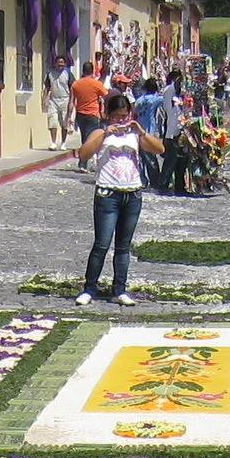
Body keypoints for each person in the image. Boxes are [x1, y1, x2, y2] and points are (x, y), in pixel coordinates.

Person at [74, 90, 159, 305]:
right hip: (107, 194)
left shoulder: (133, 135)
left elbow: (159, 149)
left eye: (125, 116)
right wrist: (105, 133)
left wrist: (141, 132)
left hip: (132, 194)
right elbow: (83, 154)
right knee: (102, 243)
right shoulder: (99, 133)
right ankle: (89, 289)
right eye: (117, 116)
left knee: (123, 246)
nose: (121, 120)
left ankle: (120, 289)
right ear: (108, 115)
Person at [131, 75, 167, 193]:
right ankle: (155, 182)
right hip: (148, 133)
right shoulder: (155, 99)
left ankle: (142, 180)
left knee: (139, 159)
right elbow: (166, 100)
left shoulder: (139, 100)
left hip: (137, 132)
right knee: (151, 160)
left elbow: (134, 114)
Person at [69, 62, 107, 144]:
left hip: (80, 114)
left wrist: (69, 116)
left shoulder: (75, 84)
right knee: (92, 137)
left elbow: (71, 101)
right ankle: (90, 154)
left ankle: (85, 153)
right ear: (92, 71)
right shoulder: (97, 84)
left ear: (83, 71)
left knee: (84, 137)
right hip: (93, 114)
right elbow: (106, 96)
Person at [47, 60, 75, 148]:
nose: (60, 65)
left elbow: (72, 87)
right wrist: (44, 99)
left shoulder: (68, 74)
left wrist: (72, 100)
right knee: (52, 121)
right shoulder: (50, 74)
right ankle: (53, 143)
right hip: (53, 99)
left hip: (65, 99)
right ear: (55, 63)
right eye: (58, 63)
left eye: (62, 63)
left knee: (64, 122)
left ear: (65, 64)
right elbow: (47, 87)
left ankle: (63, 143)